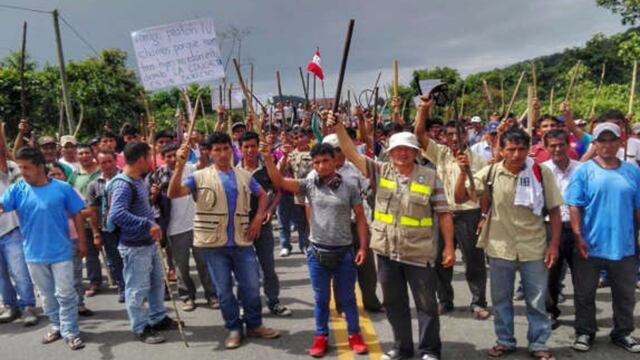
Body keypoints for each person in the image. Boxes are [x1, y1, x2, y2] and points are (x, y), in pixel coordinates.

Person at [329, 111, 455, 360]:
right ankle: (402, 348)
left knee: (426, 306)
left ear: (417, 152)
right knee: (395, 304)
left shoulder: (430, 177)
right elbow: (351, 153)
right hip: (386, 252)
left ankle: (429, 350)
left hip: (419, 253)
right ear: (390, 152)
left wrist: (449, 247)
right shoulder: (379, 171)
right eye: (398, 149)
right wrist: (339, 127)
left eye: (408, 149)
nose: (403, 153)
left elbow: (444, 214)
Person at [454, 128, 562, 360]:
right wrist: (463, 173)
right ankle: (504, 340)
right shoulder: (491, 172)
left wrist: (553, 245)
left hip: (534, 247)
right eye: (510, 149)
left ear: (529, 149)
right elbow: (460, 197)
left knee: (536, 300)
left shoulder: (541, 173)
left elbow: (554, 210)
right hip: (500, 247)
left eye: (521, 149)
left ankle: (539, 343)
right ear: (501, 150)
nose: (516, 155)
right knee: (501, 299)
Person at [168, 132, 280, 350]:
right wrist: (179, 166)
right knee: (224, 291)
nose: (222, 154)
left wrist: (258, 217)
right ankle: (234, 328)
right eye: (217, 150)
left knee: (250, 286)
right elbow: (173, 193)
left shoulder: (244, 176)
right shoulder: (199, 177)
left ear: (232, 150)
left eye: (226, 149)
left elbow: (263, 194)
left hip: (242, 241)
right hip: (214, 245)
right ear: (209, 153)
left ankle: (255, 324)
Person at [263, 141, 369, 357]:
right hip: (317, 253)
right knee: (321, 299)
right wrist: (268, 159)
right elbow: (279, 181)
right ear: (313, 164)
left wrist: (363, 248)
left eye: (326, 161)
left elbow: (360, 217)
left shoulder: (349, 186)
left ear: (335, 161)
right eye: (317, 162)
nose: (321, 166)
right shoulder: (309, 185)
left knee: (348, 298)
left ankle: (354, 335)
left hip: (344, 252)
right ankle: (321, 336)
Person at [0, 147, 87, 350]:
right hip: (33, 254)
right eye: (20, 167)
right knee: (47, 296)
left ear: (40, 167)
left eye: (27, 167)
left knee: (65, 293)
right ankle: (57, 326)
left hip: (62, 252)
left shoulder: (62, 188)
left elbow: (77, 214)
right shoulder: (17, 189)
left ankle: (71, 332)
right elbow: (2, 207)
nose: (23, 172)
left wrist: (82, 243)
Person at [565, 122, 640, 353]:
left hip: (624, 245)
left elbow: (638, 209)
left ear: (620, 142)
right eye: (602, 140)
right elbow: (575, 206)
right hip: (590, 244)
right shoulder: (584, 171)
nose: (607, 145)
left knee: (625, 294)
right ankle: (585, 332)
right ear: (594, 144)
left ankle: (623, 332)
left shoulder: (633, 171)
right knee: (585, 293)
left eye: (612, 140)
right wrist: (578, 235)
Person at [414, 97, 490, 320]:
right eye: (449, 135)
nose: (454, 139)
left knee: (473, 261)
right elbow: (419, 134)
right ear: (444, 138)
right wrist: (424, 109)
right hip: (443, 214)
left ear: (465, 135)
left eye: (458, 134)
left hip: (469, 213)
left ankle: (478, 302)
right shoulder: (441, 153)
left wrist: (483, 215)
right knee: (439, 259)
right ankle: (445, 300)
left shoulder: (477, 159)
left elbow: (483, 191)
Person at [108, 142, 181, 344]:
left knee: (157, 282)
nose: (151, 162)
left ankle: (157, 317)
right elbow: (117, 214)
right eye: (149, 158)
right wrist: (147, 223)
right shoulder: (123, 184)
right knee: (137, 289)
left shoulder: (138, 179)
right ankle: (140, 327)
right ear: (141, 159)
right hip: (134, 246)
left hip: (148, 242)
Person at [315, 134, 383, 313]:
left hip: (357, 224)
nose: (342, 153)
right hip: (334, 228)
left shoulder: (354, 169)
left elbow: (370, 187)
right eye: (338, 151)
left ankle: (371, 301)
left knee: (367, 266)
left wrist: (374, 181)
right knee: (341, 270)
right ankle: (342, 306)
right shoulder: (316, 174)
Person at [152, 143, 218, 312]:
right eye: (169, 156)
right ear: (163, 158)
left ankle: (212, 295)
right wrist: (155, 194)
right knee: (181, 267)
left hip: (197, 224)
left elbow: (204, 164)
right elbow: (152, 201)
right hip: (175, 228)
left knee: (204, 263)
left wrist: (197, 147)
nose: (173, 159)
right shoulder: (158, 175)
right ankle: (187, 296)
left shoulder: (190, 168)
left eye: (176, 155)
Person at [236, 131, 292, 317]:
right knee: (243, 269)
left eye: (253, 146)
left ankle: (273, 301)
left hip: (264, 225)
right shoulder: (233, 170)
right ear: (240, 148)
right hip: (240, 226)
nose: (250, 150)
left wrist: (269, 210)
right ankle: (245, 304)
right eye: (246, 146)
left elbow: (278, 191)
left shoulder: (267, 168)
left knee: (268, 266)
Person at [541, 129, 580, 329]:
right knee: (550, 274)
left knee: (581, 274)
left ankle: (583, 317)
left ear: (568, 145)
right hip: (549, 227)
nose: (557, 149)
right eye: (552, 145)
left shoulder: (581, 169)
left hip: (577, 228)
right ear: (546, 147)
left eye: (561, 145)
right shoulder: (541, 170)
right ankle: (550, 311)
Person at [0, 132, 37, 326]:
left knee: (19, 271)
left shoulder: (9, 168)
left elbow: (3, 155)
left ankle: (28, 306)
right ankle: (9, 305)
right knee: (1, 276)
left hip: (11, 229)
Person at [86, 149, 125, 303]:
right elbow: (93, 212)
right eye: (103, 162)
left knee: (134, 258)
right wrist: (96, 233)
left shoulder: (126, 178)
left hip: (128, 227)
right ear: (98, 164)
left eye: (110, 161)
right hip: (108, 230)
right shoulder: (94, 185)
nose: (107, 165)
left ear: (115, 161)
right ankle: (122, 287)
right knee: (115, 260)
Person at [68, 144, 103, 298]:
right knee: (90, 254)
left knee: (114, 251)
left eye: (87, 152)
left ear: (92, 153)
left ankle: (120, 281)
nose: (84, 156)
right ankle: (95, 282)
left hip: (105, 218)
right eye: (80, 153)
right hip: (85, 220)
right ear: (77, 156)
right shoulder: (74, 176)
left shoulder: (102, 171)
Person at [278, 128, 312, 255]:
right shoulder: (291, 155)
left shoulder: (315, 151)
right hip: (299, 194)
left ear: (307, 137)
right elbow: (280, 171)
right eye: (296, 138)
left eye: (302, 136)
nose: (299, 140)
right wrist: (285, 155)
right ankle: (304, 244)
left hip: (315, 191)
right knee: (301, 221)